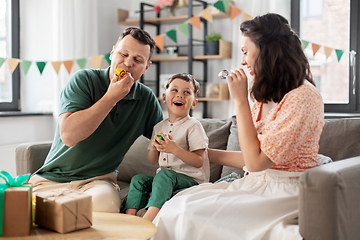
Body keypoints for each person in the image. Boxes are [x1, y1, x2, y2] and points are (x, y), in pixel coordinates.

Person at [151, 13, 324, 240]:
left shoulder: (303, 97)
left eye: (245, 51)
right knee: (178, 205)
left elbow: (255, 162)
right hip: (255, 183)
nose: (242, 61)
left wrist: (241, 100)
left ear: (267, 50)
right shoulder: (267, 97)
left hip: (284, 192)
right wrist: (203, 154)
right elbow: (250, 157)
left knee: (189, 213)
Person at [28, 27, 163, 213]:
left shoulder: (147, 99)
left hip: (99, 182)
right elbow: (68, 136)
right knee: (32, 214)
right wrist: (111, 97)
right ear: (112, 53)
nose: (128, 63)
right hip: (52, 179)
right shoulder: (84, 80)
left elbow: (165, 139)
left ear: (146, 67)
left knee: (104, 208)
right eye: (123, 54)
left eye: (137, 60)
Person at [124, 73, 210, 222]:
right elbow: (152, 161)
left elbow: (199, 161)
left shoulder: (193, 126)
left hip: (191, 179)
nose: (180, 95)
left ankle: (149, 217)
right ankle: (129, 217)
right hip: (165, 178)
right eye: (174, 90)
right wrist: (153, 148)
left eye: (186, 92)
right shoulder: (159, 127)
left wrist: (174, 149)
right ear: (164, 98)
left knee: (164, 175)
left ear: (194, 103)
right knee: (138, 180)